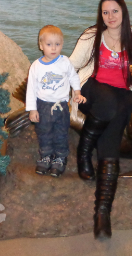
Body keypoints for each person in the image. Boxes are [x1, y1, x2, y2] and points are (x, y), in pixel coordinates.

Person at [69, 0, 132, 239]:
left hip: (124, 94)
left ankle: (102, 212)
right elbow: (71, 65)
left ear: (123, 11)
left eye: (115, 11)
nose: (110, 16)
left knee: (112, 134)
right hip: (92, 89)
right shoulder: (92, 35)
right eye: (105, 12)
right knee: (108, 104)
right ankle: (84, 150)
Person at [26, 25, 86, 177]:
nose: (53, 48)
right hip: (43, 106)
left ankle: (60, 158)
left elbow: (73, 77)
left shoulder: (65, 62)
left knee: (61, 133)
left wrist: (77, 92)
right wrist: (32, 109)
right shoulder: (36, 66)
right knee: (44, 133)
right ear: (41, 45)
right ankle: (46, 156)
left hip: (61, 106)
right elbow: (31, 89)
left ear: (62, 45)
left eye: (57, 44)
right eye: (49, 44)